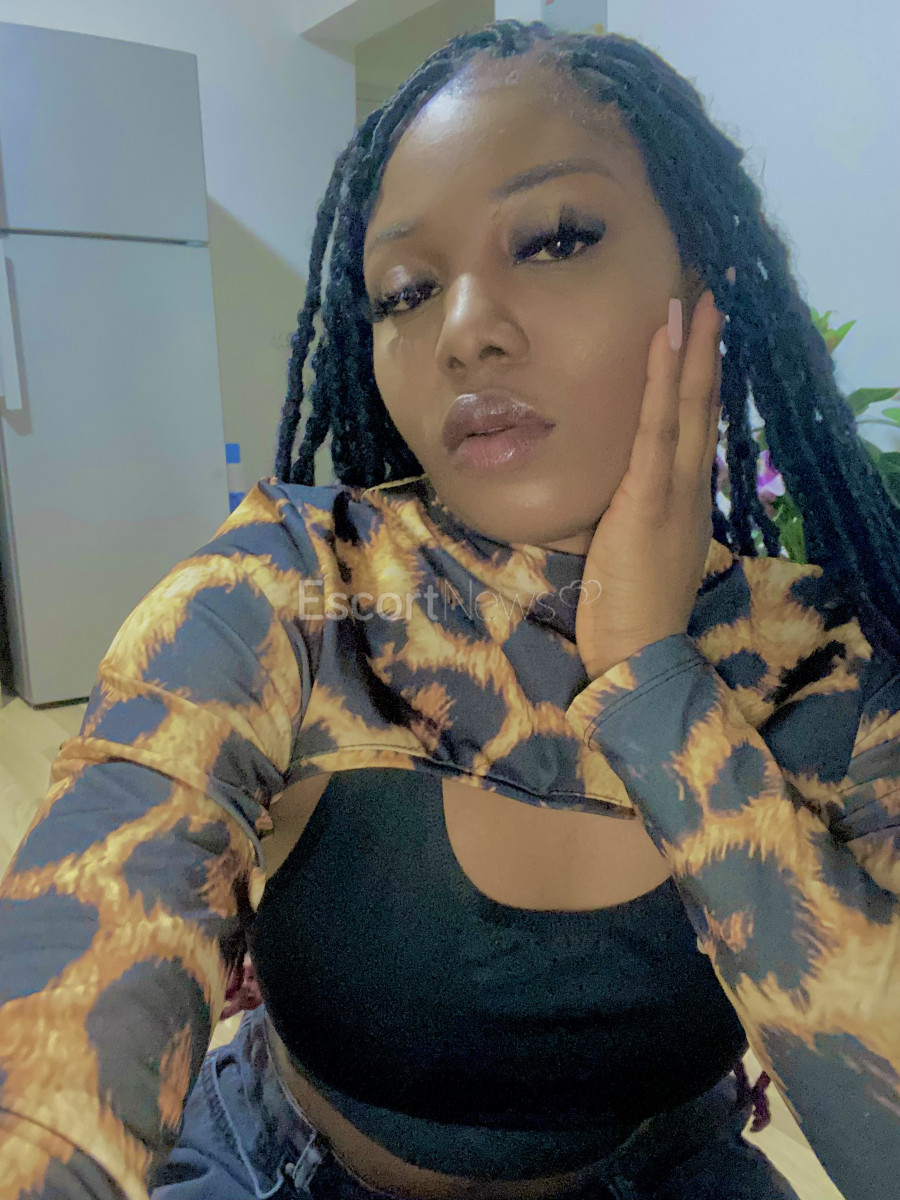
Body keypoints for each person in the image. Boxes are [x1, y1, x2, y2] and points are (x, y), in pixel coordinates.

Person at [1, 18, 898, 1200]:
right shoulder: (289, 589)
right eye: (406, 290)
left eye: (558, 238)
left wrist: (652, 679)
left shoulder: (831, 666)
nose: (463, 329)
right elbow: (55, 1042)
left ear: (705, 276)